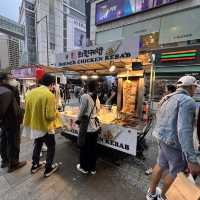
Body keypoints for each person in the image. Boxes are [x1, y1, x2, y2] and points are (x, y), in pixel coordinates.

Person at [146, 75, 200, 200]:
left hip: (162, 138)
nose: (195, 90)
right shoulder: (188, 101)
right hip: (174, 142)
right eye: (195, 87)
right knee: (176, 172)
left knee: (160, 164)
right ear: (191, 87)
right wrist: (191, 158)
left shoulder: (167, 98)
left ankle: (151, 193)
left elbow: (159, 117)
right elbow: (184, 130)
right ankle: (163, 197)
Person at [23, 73, 58, 177]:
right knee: (51, 146)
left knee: (37, 144)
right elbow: (49, 116)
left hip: (34, 125)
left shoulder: (30, 93)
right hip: (45, 127)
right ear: (51, 84)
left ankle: (35, 165)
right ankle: (48, 168)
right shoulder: (49, 95)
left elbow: (27, 108)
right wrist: (56, 113)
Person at [0, 72, 26, 172]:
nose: (11, 79)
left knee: (4, 139)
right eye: (9, 78)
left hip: (3, 121)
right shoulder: (10, 89)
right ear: (4, 80)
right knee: (13, 141)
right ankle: (14, 164)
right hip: (12, 120)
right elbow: (16, 106)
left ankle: (5, 161)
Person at [76, 80, 101, 175]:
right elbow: (98, 109)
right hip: (94, 127)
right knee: (93, 149)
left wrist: (78, 119)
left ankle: (84, 168)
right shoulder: (96, 97)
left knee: (84, 148)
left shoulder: (85, 96)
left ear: (87, 87)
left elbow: (81, 111)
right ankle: (93, 168)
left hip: (87, 127)